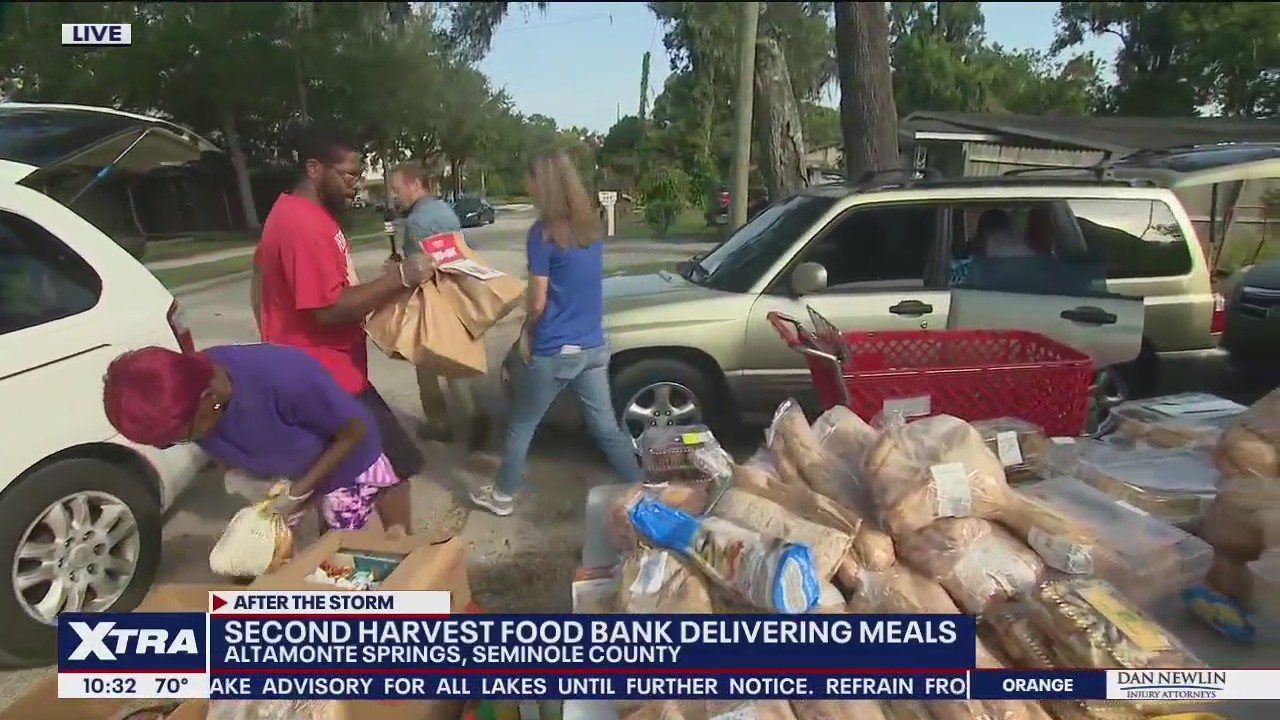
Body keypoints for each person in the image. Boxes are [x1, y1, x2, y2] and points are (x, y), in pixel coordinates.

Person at [250, 125, 432, 525]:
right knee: (391, 473)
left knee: (346, 483)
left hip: (317, 373)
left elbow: (259, 282)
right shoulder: (303, 225)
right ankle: (398, 563)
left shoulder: (293, 213)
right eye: (348, 175)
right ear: (315, 169)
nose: (355, 185)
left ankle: (353, 559)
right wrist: (399, 280)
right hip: (329, 379)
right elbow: (328, 308)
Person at [469, 150, 643, 517]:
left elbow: (537, 301)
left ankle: (502, 495)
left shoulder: (543, 235)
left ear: (542, 183)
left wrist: (524, 336)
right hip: (593, 345)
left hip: (556, 348)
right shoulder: (589, 229)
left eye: (530, 178)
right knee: (606, 428)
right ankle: (642, 489)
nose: (526, 184)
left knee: (522, 423)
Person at [102, 344, 407, 532]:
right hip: (291, 469)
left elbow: (354, 431)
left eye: (183, 437)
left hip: (347, 459)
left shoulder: (284, 377)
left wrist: (299, 492)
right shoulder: (189, 397)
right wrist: (239, 471)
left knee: (339, 553)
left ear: (208, 398)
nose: (176, 444)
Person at [388, 162, 485, 448]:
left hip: (429, 299)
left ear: (415, 184)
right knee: (454, 359)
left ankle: (439, 423)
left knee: (425, 363)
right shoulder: (446, 212)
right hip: (455, 292)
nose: (397, 196)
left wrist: (396, 269)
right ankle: (474, 413)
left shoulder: (417, 222)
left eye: (398, 189)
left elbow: (417, 268)